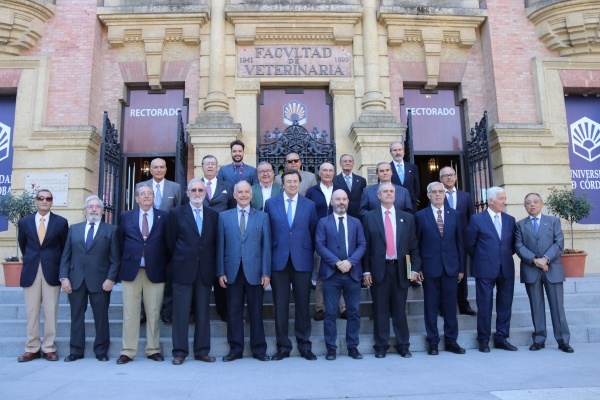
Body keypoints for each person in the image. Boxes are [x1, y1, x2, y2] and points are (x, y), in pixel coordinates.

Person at [264, 170, 319, 361]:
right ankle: (283, 346)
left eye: (295, 181)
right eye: (289, 181)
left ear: (300, 183)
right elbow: (267, 232)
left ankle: (304, 345)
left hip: (302, 260)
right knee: (280, 305)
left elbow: (313, 231)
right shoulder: (270, 204)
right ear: (282, 183)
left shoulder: (309, 205)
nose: (292, 184)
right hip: (278, 260)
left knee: (303, 305)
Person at [362, 183, 421, 358]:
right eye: (385, 192)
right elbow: (365, 246)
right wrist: (366, 271)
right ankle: (381, 346)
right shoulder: (369, 217)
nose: (389, 194)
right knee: (380, 309)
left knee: (399, 309)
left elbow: (413, 246)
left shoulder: (407, 218)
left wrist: (414, 269)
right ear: (378, 196)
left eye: (392, 192)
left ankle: (403, 345)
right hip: (378, 270)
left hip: (401, 270)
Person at [59, 195, 120, 362]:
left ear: (102, 210)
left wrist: (111, 279)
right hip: (76, 279)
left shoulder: (111, 230)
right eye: (91, 206)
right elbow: (66, 255)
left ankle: (101, 351)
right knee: (76, 316)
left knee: (101, 317)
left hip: (101, 281)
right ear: (84, 210)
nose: (94, 209)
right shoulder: (74, 229)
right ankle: (75, 350)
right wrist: (64, 277)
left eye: (97, 207)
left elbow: (115, 259)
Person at [217, 181, 271, 362]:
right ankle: (235, 349)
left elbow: (266, 247)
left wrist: (266, 272)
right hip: (232, 271)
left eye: (246, 192)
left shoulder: (262, 217)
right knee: (233, 311)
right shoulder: (224, 217)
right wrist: (220, 271)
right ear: (234, 195)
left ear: (251, 194)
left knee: (256, 311)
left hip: (255, 272)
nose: (243, 195)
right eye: (240, 192)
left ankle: (259, 349)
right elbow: (220, 247)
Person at [166, 178, 219, 365]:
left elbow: (214, 244)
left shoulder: (213, 215)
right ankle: (179, 352)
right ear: (188, 193)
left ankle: (202, 351)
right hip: (182, 269)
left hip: (204, 270)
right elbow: (170, 242)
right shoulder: (176, 214)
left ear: (205, 193)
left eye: (200, 190)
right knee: (180, 312)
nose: (197, 193)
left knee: (203, 312)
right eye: (193, 190)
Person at [116, 184, 169, 364]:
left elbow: (168, 244)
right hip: (131, 270)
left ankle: (153, 349)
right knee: (130, 312)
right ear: (136, 198)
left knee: (153, 312)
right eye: (142, 194)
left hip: (156, 270)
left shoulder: (164, 217)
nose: (146, 196)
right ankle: (128, 351)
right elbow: (120, 243)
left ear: (154, 197)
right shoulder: (125, 216)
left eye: (149, 193)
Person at [515, 193, 573, 353]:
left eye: (535, 202)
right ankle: (539, 338)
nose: (532, 205)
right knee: (536, 305)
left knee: (557, 306)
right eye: (528, 203)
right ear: (524, 206)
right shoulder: (520, 225)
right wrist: (536, 260)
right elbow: (518, 246)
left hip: (552, 269)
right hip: (531, 270)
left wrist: (546, 259)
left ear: (542, 203)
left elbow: (559, 243)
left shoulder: (553, 221)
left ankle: (563, 340)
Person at [17, 189, 68, 362]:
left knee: (50, 311)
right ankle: (32, 348)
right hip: (31, 270)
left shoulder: (61, 222)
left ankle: (48, 347)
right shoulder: (24, 222)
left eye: (48, 198)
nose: (44, 201)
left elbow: (63, 249)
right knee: (32, 311)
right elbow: (24, 246)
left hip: (51, 271)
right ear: (36, 201)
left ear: (52, 202)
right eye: (41, 198)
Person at [415, 182, 466, 356]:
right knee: (430, 306)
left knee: (451, 306)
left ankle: (451, 340)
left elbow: (460, 242)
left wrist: (461, 267)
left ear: (445, 194)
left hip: (451, 268)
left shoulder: (455, 215)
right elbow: (416, 244)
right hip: (429, 268)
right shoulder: (420, 216)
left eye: (440, 192)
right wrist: (418, 267)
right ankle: (433, 341)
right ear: (428, 195)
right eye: (434, 192)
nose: (437, 195)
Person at [315, 189, 366, 360]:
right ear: (331, 202)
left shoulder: (356, 222)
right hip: (331, 273)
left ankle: (353, 346)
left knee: (353, 312)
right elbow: (320, 245)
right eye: (338, 199)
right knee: (330, 313)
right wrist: (337, 262)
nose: (341, 202)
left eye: (344, 199)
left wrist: (350, 262)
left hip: (352, 273)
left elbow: (362, 245)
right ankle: (331, 347)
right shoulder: (323, 222)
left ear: (348, 202)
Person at [466, 186, 517, 353]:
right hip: (485, 268)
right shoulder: (477, 219)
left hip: (506, 269)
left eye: (504, 198)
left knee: (505, 305)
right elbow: (470, 245)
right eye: (501, 198)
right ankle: (483, 339)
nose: (504, 201)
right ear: (491, 200)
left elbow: (512, 245)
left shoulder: (510, 219)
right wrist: (484, 258)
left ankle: (502, 337)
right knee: (485, 305)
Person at [137, 157, 181, 324]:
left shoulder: (175, 187)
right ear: (151, 169)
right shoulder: (140, 187)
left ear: (166, 169)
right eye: (155, 167)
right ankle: (143, 311)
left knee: (168, 276)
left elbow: (177, 212)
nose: (159, 170)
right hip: (146, 239)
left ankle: (166, 312)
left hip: (168, 238)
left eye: (162, 167)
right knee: (145, 276)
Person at [305, 162, 346, 321]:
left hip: (339, 236)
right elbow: (308, 213)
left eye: (330, 170)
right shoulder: (311, 191)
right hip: (320, 238)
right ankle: (320, 308)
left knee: (341, 272)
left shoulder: (340, 189)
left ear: (334, 173)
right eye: (325, 170)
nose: (328, 173)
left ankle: (343, 307)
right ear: (319, 173)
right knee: (321, 275)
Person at [201, 154, 236, 322]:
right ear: (202, 167)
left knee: (223, 271)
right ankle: (197, 309)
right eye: (207, 164)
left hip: (223, 235)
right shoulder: (195, 185)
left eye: (213, 164)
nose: (210, 166)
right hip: (200, 237)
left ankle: (223, 310)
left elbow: (232, 209)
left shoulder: (227, 186)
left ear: (217, 167)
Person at [440, 166, 476, 316]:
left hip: (462, 240)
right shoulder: (438, 194)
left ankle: (463, 304)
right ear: (440, 179)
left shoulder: (465, 196)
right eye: (446, 175)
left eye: (451, 175)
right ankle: (444, 306)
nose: (449, 177)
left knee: (462, 272)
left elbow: (471, 218)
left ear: (455, 177)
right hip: (445, 240)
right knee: (445, 272)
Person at [333, 154, 366, 219]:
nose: (347, 163)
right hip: (341, 212)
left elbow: (364, 198)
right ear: (340, 164)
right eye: (345, 161)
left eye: (350, 161)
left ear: (353, 164)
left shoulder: (361, 180)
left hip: (358, 214)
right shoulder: (334, 180)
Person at [389, 142, 420, 212]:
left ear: (404, 151)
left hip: (411, 205)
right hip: (393, 205)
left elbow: (417, 186)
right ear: (391, 152)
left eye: (400, 150)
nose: (398, 152)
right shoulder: (387, 168)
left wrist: (414, 199)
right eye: (395, 150)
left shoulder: (412, 167)